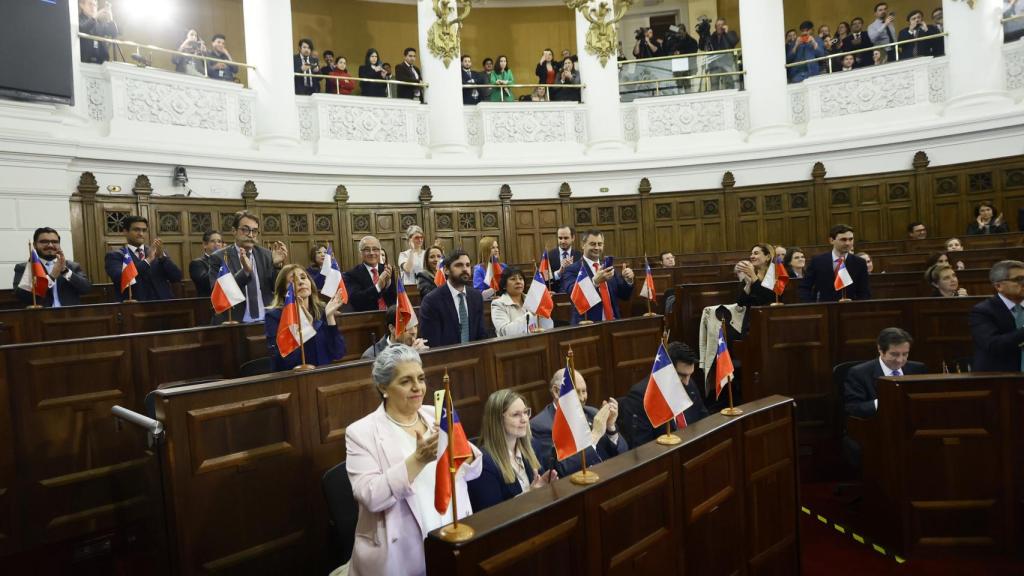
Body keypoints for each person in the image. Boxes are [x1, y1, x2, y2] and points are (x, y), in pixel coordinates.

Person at [345, 345, 482, 576]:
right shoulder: (361, 432)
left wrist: (459, 447)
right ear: (383, 387)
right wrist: (418, 460)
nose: (418, 387)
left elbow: (472, 470)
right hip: (399, 555)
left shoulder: (435, 414)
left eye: (421, 378)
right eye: (406, 381)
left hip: (452, 532)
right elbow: (371, 496)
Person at [467, 390, 556, 513]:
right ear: (497, 420)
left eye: (525, 412)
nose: (524, 419)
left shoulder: (533, 446)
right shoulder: (483, 463)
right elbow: (490, 516)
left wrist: (547, 486)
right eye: (516, 415)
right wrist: (529, 496)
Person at [530, 368, 627, 476]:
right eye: (576, 392)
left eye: (584, 391)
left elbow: (624, 453)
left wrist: (611, 428)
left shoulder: (592, 413)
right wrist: (594, 435)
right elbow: (560, 470)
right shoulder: (541, 426)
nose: (582, 398)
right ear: (557, 392)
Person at [616, 341, 708, 449]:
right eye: (682, 375)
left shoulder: (689, 384)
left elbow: (703, 419)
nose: (687, 382)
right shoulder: (640, 397)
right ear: (666, 369)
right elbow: (642, 447)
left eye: (690, 375)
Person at [209, 211, 289, 324]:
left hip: (266, 319)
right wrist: (245, 272)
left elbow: (276, 288)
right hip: (236, 321)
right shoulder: (219, 257)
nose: (250, 235)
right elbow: (219, 293)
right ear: (234, 231)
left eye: (254, 231)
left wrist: (276, 266)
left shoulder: (266, 254)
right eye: (245, 230)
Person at [264, 264, 346, 371]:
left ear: (310, 283)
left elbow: (338, 353)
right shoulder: (274, 316)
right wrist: (305, 326)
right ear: (284, 292)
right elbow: (284, 361)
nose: (301, 282)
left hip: (324, 375)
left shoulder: (322, 310)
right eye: (293, 280)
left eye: (303, 277)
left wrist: (330, 317)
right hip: (294, 379)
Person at [844, 327, 926, 419]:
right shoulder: (859, 373)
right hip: (878, 426)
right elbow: (853, 408)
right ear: (880, 350)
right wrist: (882, 403)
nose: (900, 360)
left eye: (905, 354)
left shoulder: (918, 369)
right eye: (894, 354)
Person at [560, 229, 635, 324]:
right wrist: (595, 282)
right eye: (592, 244)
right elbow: (573, 295)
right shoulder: (571, 270)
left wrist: (628, 281)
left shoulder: (608, 268)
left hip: (613, 324)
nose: (597, 247)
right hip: (588, 326)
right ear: (583, 245)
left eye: (600, 244)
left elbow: (624, 296)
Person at [418, 248, 487, 347]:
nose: (465, 269)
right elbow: (432, 342)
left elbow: (482, 335)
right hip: (446, 359)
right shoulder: (432, 301)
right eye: (459, 265)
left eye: (467, 265)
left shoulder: (476, 297)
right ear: (446, 270)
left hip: (474, 357)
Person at [105, 216, 182, 301]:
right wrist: (147, 260)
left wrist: (162, 258)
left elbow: (176, 277)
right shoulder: (115, 256)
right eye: (136, 230)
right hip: (136, 308)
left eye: (144, 230)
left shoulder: (157, 252)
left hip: (163, 306)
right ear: (125, 232)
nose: (141, 234)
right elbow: (120, 278)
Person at [13, 227, 92, 307]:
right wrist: (52, 276)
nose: (50, 245)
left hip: (69, 315)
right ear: (35, 245)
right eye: (44, 242)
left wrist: (65, 271)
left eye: (55, 242)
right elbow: (22, 296)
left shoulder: (72, 266)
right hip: (42, 317)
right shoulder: (24, 268)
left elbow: (86, 289)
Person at [969, 260, 1024, 372]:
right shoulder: (982, 311)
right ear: (999, 286)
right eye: (1018, 279)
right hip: (1000, 378)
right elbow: (993, 345)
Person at [800, 224, 871, 302]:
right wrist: (813, 307)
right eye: (843, 239)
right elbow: (805, 288)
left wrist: (855, 305)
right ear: (831, 240)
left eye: (851, 239)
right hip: (825, 309)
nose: (848, 243)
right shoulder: (817, 261)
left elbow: (865, 292)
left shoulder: (860, 263)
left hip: (851, 309)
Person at [343, 235, 397, 312]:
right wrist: (378, 286)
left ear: (379, 251)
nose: (371, 253)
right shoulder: (351, 275)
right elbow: (356, 300)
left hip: (390, 316)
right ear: (360, 253)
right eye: (367, 249)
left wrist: (388, 285)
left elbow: (396, 297)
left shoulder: (387, 270)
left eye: (375, 249)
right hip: (366, 319)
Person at [362, 304, 429, 359]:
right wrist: (412, 355)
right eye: (408, 327)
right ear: (392, 328)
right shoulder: (372, 356)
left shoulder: (421, 348)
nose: (414, 332)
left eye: (415, 326)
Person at [735, 244, 778, 309]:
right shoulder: (749, 275)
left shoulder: (775, 276)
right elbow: (739, 304)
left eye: (756, 253)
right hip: (751, 315)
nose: (751, 256)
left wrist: (753, 276)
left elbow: (768, 300)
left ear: (768, 257)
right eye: (751, 254)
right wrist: (748, 285)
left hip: (769, 314)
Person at [491, 267, 530, 338]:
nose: (518, 282)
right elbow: (506, 332)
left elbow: (548, 327)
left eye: (521, 278)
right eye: (513, 279)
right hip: (511, 346)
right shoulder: (498, 304)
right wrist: (530, 315)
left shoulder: (532, 300)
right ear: (504, 285)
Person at [78, 0, 117, 65]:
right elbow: (83, 29)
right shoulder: (77, 19)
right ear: (82, 5)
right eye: (90, 4)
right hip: (84, 61)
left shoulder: (99, 23)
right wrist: (95, 16)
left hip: (101, 62)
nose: (93, 7)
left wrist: (110, 18)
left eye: (95, 5)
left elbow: (113, 33)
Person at [188, 229, 223, 297]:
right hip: (207, 303)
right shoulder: (196, 263)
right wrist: (218, 261)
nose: (217, 244)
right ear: (205, 245)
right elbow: (207, 283)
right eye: (213, 241)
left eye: (219, 241)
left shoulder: (226, 261)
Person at [708, 18, 740, 90]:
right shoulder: (712, 37)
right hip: (714, 65)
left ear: (725, 25)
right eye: (718, 25)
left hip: (727, 64)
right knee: (714, 86)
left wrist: (727, 32)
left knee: (729, 84)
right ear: (715, 26)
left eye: (721, 24)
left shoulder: (730, 33)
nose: (719, 26)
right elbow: (702, 47)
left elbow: (734, 41)